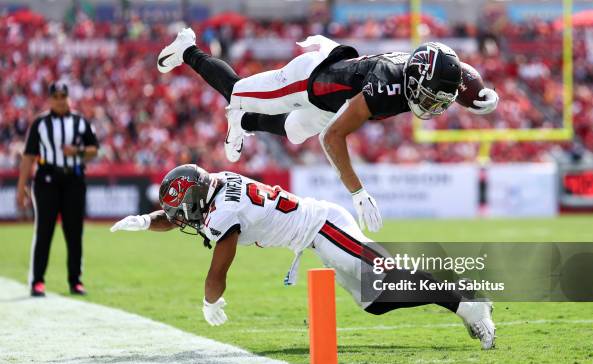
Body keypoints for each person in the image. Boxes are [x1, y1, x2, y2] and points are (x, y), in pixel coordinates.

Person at [110, 164, 495, 349]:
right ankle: (462, 298)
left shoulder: (222, 212)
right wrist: (146, 220)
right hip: (317, 233)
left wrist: (210, 301)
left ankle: (469, 304)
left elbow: (218, 270)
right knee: (375, 303)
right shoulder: (219, 184)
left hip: (323, 226)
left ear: (195, 197)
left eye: (183, 209)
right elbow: (183, 217)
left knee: (389, 275)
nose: (181, 218)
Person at [156, 29, 499, 233]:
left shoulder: (420, 67)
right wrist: (358, 192)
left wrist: (479, 94)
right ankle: (188, 48)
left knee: (292, 131)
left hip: (335, 99)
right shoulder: (385, 86)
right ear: (412, 80)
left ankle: (243, 122)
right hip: (310, 81)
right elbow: (332, 138)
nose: (434, 106)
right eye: (429, 96)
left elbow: (459, 73)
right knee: (238, 93)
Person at [16, 82, 99, 297]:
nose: (60, 100)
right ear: (50, 99)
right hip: (47, 180)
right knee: (44, 231)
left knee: (74, 233)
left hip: (74, 179)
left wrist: (77, 152)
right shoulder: (40, 123)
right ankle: (37, 281)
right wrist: (20, 187)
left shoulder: (80, 121)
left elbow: (94, 150)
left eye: (64, 95)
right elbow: (28, 157)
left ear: (68, 97)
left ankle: (75, 281)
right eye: (56, 96)